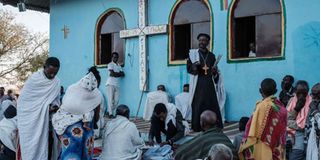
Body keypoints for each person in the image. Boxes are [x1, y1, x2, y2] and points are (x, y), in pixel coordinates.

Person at [52, 66, 102, 160]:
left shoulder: (72, 89)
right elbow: (96, 117)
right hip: (83, 131)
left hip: (63, 125)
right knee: (85, 154)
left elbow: (64, 106)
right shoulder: (96, 95)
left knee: (69, 153)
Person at [17, 57, 61, 160]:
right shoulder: (34, 80)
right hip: (31, 124)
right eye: (50, 73)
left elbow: (56, 99)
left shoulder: (56, 82)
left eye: (55, 73)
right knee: (32, 149)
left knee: (48, 148)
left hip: (49, 123)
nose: (52, 75)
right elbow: (23, 104)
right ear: (44, 67)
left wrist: (54, 106)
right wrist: (45, 109)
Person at [239, 78, 287, 160]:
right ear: (276, 91)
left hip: (261, 147)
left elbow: (250, 128)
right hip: (276, 146)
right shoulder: (281, 107)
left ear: (260, 91)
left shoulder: (261, 107)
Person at [187, 33, 225, 131]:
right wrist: (195, 66)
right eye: (200, 40)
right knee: (198, 104)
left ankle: (214, 125)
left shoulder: (212, 56)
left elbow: (215, 74)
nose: (201, 42)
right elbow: (189, 69)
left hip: (209, 83)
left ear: (208, 42)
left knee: (211, 103)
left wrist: (214, 72)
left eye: (204, 40)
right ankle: (197, 126)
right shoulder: (193, 54)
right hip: (198, 83)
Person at [287, 80, 311, 160]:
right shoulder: (292, 100)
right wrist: (296, 109)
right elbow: (285, 119)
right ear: (295, 91)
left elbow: (307, 124)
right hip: (291, 136)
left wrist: (295, 124)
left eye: (304, 93)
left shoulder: (312, 102)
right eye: (299, 93)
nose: (301, 95)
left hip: (306, 136)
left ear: (307, 92)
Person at [106, 52, 125, 118]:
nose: (115, 58)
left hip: (117, 85)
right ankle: (110, 114)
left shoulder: (119, 65)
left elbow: (123, 74)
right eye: (114, 57)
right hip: (110, 83)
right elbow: (112, 74)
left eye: (117, 57)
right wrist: (118, 74)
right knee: (110, 99)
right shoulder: (110, 64)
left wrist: (116, 73)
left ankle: (110, 112)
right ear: (112, 57)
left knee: (116, 100)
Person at [304, 83, 320, 160]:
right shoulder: (314, 105)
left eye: (315, 94)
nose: (312, 97)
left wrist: (316, 112)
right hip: (312, 142)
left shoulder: (314, 108)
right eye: (312, 94)